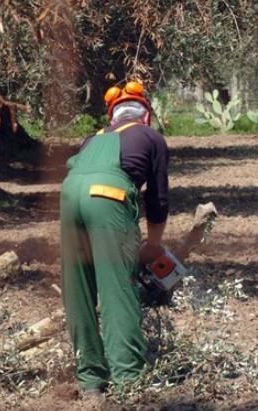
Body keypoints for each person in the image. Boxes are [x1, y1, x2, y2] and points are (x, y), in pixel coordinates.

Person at [59, 81, 169, 394]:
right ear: (145, 114)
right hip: (108, 198)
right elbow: (157, 199)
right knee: (117, 288)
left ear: (113, 117)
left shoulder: (91, 139)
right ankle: (128, 380)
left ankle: (91, 380)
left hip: (69, 199)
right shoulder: (151, 137)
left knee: (78, 289)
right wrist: (154, 244)